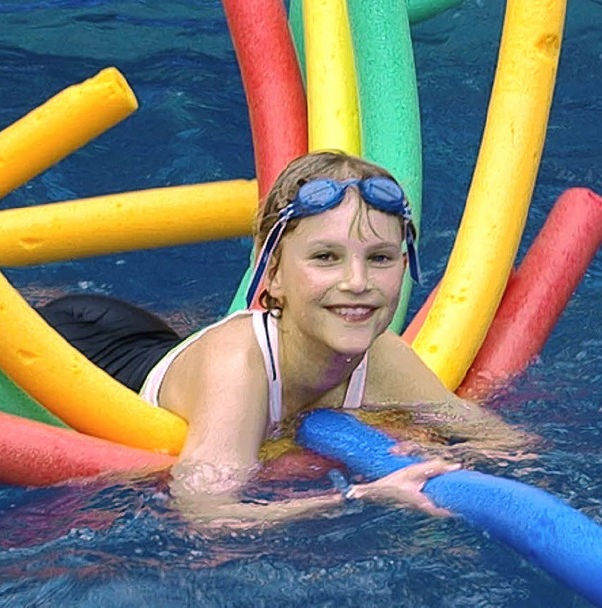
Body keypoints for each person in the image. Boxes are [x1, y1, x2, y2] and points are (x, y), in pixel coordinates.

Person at [40, 151, 525, 526]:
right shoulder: (241, 368)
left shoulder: (384, 359)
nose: (357, 281)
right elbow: (206, 514)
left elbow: (503, 444)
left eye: (379, 258)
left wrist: (454, 456)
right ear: (271, 272)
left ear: (405, 266)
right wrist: (360, 496)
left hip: (162, 344)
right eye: (325, 257)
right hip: (86, 350)